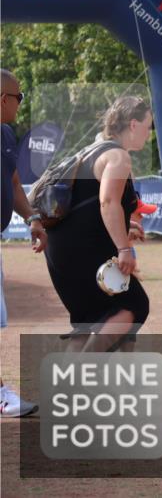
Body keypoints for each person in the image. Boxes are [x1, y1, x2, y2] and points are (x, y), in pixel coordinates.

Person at [43, 96, 152, 352]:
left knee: (87, 322)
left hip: (58, 248)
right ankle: (83, 375)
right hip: (81, 249)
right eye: (148, 126)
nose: (149, 133)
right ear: (133, 125)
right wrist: (124, 249)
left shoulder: (92, 150)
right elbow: (107, 202)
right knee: (135, 304)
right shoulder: (118, 156)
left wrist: (124, 227)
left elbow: (88, 205)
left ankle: (67, 387)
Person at [0, 69, 46, 417]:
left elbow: (14, 184)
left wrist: (31, 218)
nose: (20, 104)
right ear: (4, 99)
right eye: (19, 97)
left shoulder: (5, 134)